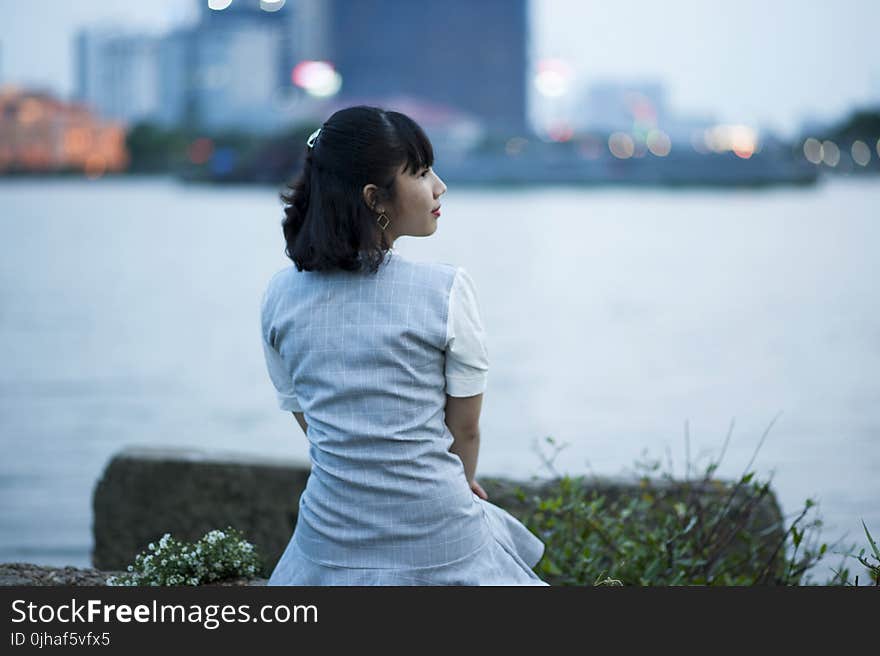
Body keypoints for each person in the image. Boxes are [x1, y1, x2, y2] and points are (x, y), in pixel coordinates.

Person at [260, 105, 548, 585]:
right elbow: (466, 431)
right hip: (440, 538)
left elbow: (314, 423)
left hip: (330, 542)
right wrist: (463, 483)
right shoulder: (445, 291)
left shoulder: (279, 294)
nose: (440, 187)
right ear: (375, 198)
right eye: (420, 173)